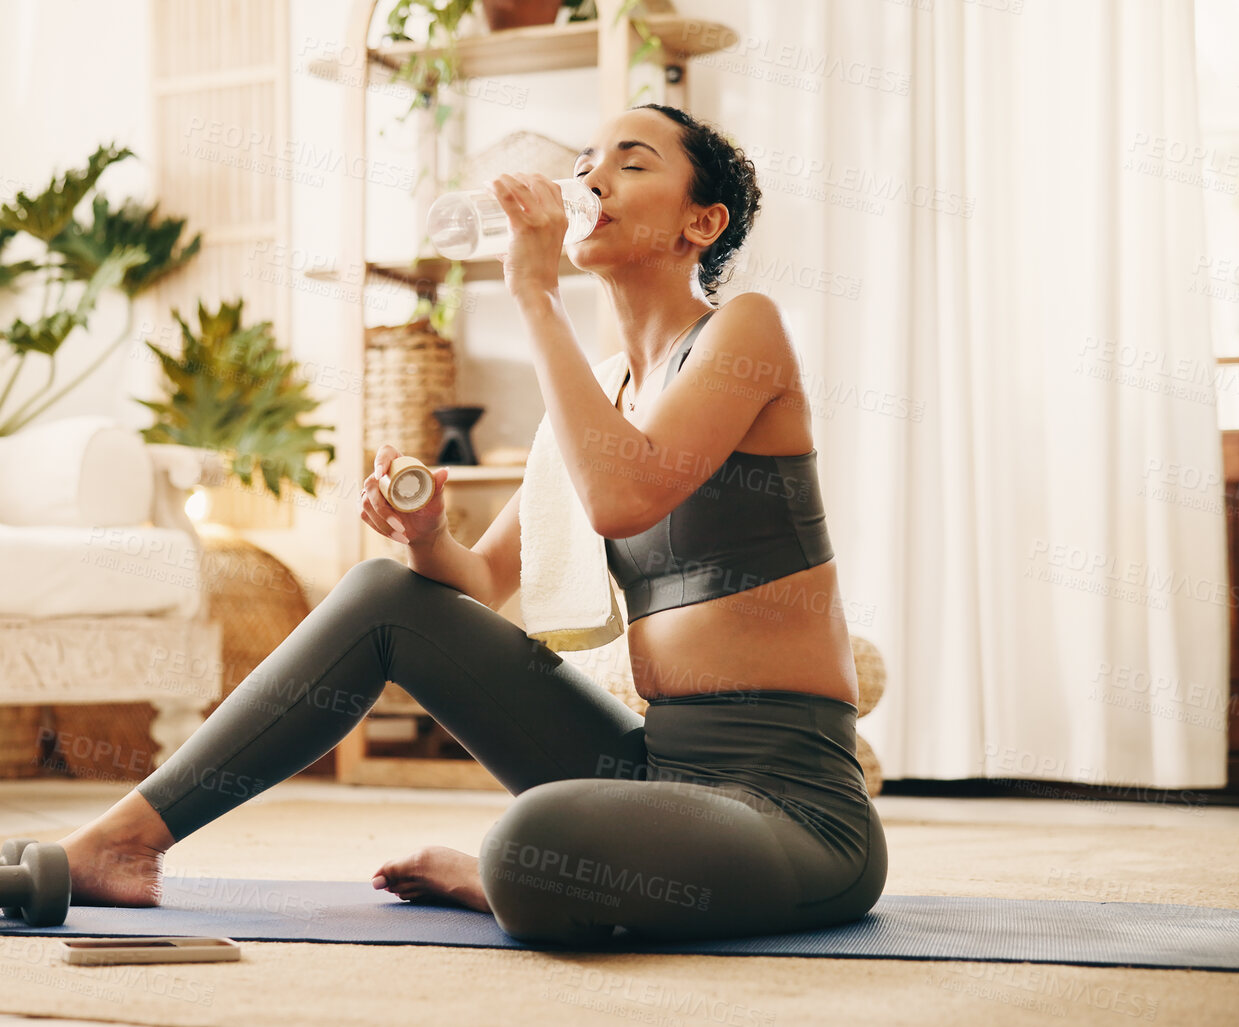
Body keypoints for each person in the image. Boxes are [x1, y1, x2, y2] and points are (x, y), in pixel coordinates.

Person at [56, 103, 886, 945]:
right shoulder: (596, 389)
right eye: (587, 161)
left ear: (700, 223)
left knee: (533, 839)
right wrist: (423, 536)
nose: (592, 179)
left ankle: (501, 875)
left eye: (632, 164)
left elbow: (623, 498)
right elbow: (484, 581)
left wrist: (530, 291)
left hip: (790, 809)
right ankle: (127, 838)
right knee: (386, 591)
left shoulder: (744, 331)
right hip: (654, 770)